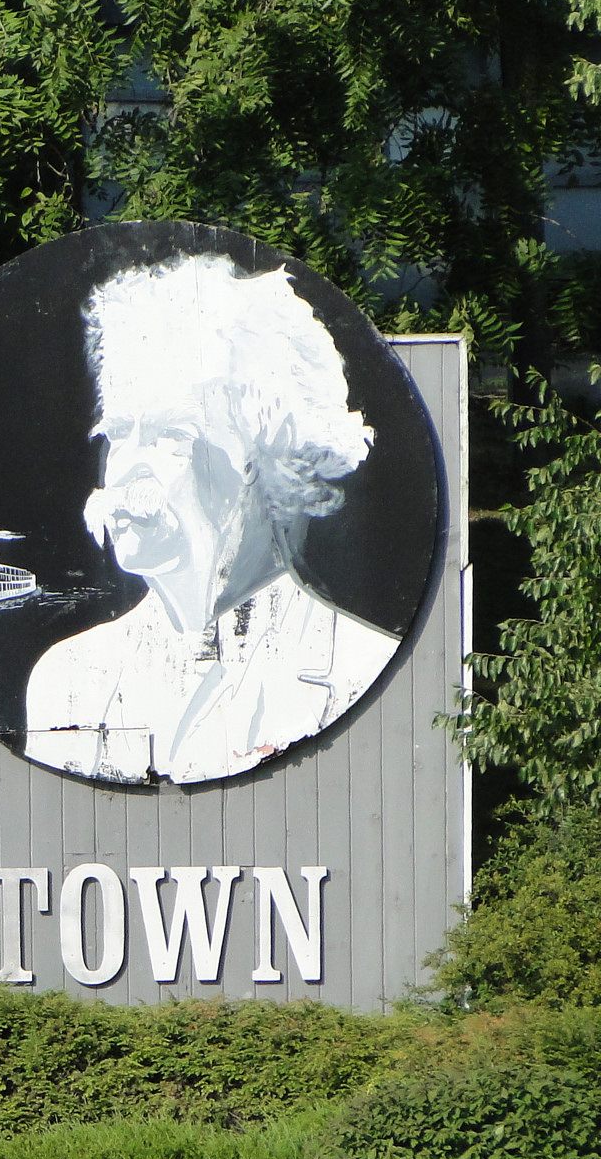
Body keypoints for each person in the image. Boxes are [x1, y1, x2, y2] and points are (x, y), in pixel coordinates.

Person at [21, 252, 402, 784]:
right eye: (118, 434)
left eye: (173, 437)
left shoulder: (358, 670)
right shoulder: (68, 681)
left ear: (269, 459)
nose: (128, 469)